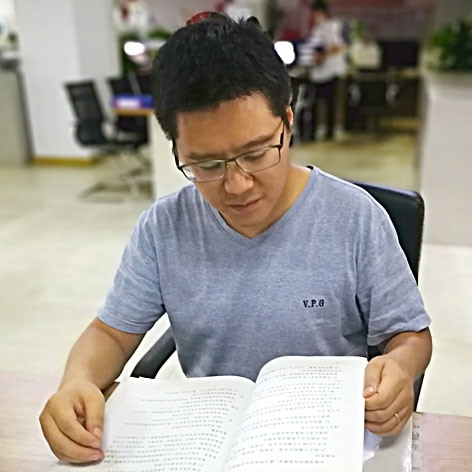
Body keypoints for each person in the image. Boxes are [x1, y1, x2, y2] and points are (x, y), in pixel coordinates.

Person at [39, 13, 432, 464]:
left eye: (256, 153)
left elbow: (411, 335)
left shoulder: (354, 218)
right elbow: (110, 333)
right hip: (209, 442)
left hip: (320, 440)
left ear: (287, 123)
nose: (238, 185)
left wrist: (399, 367)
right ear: (176, 149)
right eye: (207, 165)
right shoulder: (164, 228)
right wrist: (77, 383)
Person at [297, 0, 347, 140]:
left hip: (332, 71)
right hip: (319, 72)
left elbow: (337, 46)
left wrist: (322, 55)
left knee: (331, 103)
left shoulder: (332, 26)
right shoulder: (317, 28)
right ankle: (316, 130)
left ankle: (332, 130)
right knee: (317, 102)